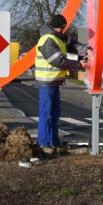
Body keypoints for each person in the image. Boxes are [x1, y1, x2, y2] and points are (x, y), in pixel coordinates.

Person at [34, 14, 88, 154]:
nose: (62, 30)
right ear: (53, 27)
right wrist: (78, 64)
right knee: (47, 113)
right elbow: (58, 60)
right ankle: (44, 143)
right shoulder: (47, 40)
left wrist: (87, 50)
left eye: (63, 28)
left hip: (54, 81)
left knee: (54, 113)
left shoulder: (59, 37)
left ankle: (53, 142)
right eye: (60, 28)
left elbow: (74, 45)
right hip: (46, 81)